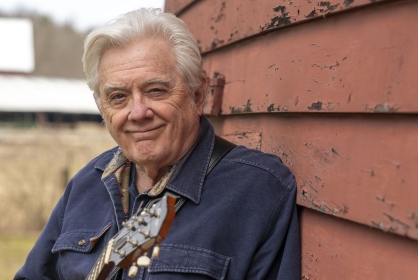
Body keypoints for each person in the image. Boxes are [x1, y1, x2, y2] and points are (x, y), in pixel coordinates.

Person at [15, 8, 300, 280]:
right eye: (118, 97)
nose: (138, 113)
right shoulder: (87, 185)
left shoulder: (256, 191)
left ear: (198, 94)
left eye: (155, 90)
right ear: (102, 108)